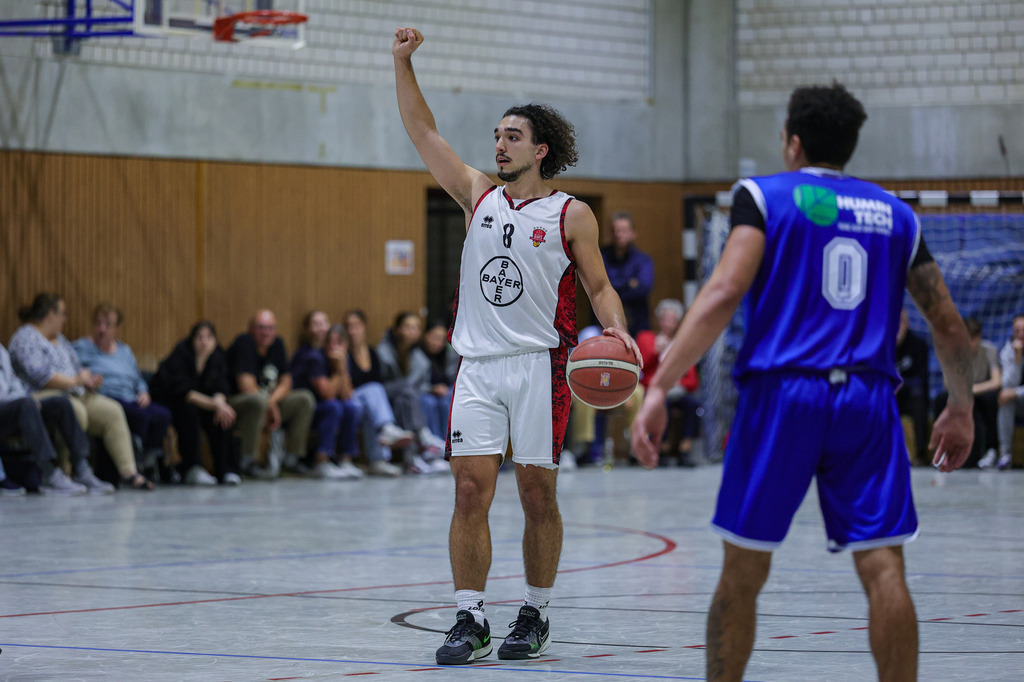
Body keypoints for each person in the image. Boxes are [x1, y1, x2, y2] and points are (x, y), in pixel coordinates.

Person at [630, 83, 973, 682]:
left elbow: (724, 290)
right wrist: (961, 408)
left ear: (792, 142)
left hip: (783, 395)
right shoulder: (895, 213)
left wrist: (658, 386)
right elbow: (946, 321)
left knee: (743, 569)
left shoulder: (763, 196)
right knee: (884, 566)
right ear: (850, 145)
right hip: (867, 400)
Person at [393, 27, 641, 665]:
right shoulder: (477, 195)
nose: (499, 145)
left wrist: (617, 332)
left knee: (538, 495)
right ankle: (470, 616)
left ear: (541, 149)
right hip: (477, 366)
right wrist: (403, 63)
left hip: (542, 367)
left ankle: (536, 610)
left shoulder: (570, 214)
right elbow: (424, 133)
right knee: (469, 492)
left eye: (512, 137)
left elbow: (600, 286)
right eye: (497, 136)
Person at [9, 293, 156, 490]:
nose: (65, 320)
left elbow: (76, 367)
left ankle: (128, 472)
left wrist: (88, 380)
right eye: (63, 314)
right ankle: (69, 472)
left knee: (112, 411)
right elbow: (40, 376)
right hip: (40, 395)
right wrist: (75, 380)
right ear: (51, 315)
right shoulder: (26, 337)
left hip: (76, 391)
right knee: (75, 410)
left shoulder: (60, 340)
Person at [0, 341, 112, 495]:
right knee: (26, 405)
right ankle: (48, 473)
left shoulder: (1, 351)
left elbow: (14, 383)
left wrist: (25, 401)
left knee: (60, 402)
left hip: (12, 406)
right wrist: (22, 403)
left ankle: (81, 468)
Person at [72, 303, 173, 472]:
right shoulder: (81, 347)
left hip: (131, 396)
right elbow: (69, 367)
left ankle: (147, 458)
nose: (101, 329)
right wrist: (86, 378)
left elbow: (138, 377)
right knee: (140, 417)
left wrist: (143, 392)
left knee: (163, 415)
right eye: (98, 323)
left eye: (107, 325)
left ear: (116, 329)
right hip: (107, 395)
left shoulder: (124, 350)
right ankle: (133, 461)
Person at [226, 309, 315, 479]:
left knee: (304, 399)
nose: (266, 332)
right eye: (261, 327)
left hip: (267, 403)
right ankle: (247, 460)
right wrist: (269, 404)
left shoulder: (277, 344)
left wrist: (271, 402)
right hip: (239, 404)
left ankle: (292, 459)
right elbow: (246, 385)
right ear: (251, 328)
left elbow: (287, 382)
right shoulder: (244, 343)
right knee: (258, 400)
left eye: (270, 328)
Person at [150, 321, 241, 485]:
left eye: (209, 337)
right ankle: (192, 468)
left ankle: (226, 470)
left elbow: (221, 387)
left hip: (203, 404)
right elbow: (186, 393)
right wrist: (216, 405)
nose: (204, 342)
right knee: (189, 413)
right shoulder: (181, 354)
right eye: (200, 337)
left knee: (222, 416)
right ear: (192, 340)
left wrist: (220, 405)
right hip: (172, 402)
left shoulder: (218, 357)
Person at [290, 310, 363, 480]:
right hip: (308, 411)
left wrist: (342, 367)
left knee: (350, 407)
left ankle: (346, 459)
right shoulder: (315, 358)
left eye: (339, 343)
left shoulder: (344, 359)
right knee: (333, 406)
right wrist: (338, 370)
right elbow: (328, 394)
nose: (334, 347)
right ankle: (322, 460)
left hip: (330, 408)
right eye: (331, 342)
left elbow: (347, 395)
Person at [341, 311, 414, 477]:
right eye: (349, 327)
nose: (352, 331)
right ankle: (387, 428)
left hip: (367, 404)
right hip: (351, 400)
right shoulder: (343, 354)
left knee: (372, 405)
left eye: (356, 326)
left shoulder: (372, 353)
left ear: (364, 328)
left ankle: (378, 461)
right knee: (373, 390)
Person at [376, 311, 448, 474]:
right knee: (407, 390)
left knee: (406, 398)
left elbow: (422, 385)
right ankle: (424, 437)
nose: (412, 331)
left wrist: (430, 389)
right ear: (397, 330)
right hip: (385, 399)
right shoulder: (383, 351)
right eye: (408, 327)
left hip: (405, 402)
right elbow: (379, 383)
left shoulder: (420, 358)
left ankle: (414, 459)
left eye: (416, 328)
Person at [635, 299, 701, 466]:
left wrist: (677, 382)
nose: (669, 323)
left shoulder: (682, 344)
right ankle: (661, 449)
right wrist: (657, 352)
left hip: (677, 390)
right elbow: (640, 371)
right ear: (659, 319)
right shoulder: (646, 338)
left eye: (673, 319)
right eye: (665, 318)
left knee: (692, 404)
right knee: (660, 403)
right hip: (653, 390)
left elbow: (692, 381)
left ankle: (684, 450)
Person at [936, 317, 1001, 468]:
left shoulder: (989, 350)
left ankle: (991, 450)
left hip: (980, 395)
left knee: (992, 399)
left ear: (979, 337)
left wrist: (972, 390)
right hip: (960, 395)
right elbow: (948, 384)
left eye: (973, 339)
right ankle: (943, 448)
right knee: (941, 399)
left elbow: (997, 381)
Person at [599, 211, 654, 336]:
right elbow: (598, 285)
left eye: (623, 230)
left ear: (633, 233)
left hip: (637, 326)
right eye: (615, 230)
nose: (619, 234)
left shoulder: (643, 260)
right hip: (604, 326)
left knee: (647, 342)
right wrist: (629, 283)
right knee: (586, 335)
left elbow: (644, 288)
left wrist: (612, 287)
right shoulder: (601, 256)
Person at [894, 308, 931, 464]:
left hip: (909, 395)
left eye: (901, 322)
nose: (898, 326)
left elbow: (921, 378)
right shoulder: (881, 344)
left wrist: (902, 383)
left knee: (918, 398)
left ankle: (921, 454)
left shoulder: (919, 345)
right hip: (890, 394)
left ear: (907, 323)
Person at [420, 320, 459, 441]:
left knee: (447, 400)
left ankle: (447, 443)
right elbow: (413, 383)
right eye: (435, 337)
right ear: (425, 335)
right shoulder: (418, 354)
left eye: (442, 339)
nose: (438, 343)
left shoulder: (449, 354)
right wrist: (432, 389)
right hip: (424, 392)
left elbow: (454, 379)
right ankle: (435, 443)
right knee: (430, 402)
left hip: (444, 392)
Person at [994, 314, 1024, 470]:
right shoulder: (1008, 351)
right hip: (1020, 403)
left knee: (1009, 395)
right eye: (1017, 330)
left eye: (1023, 330)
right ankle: (1005, 453)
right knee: (1005, 400)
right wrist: (1017, 359)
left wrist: (1015, 392)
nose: (1020, 334)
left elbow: (1012, 390)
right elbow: (1007, 384)